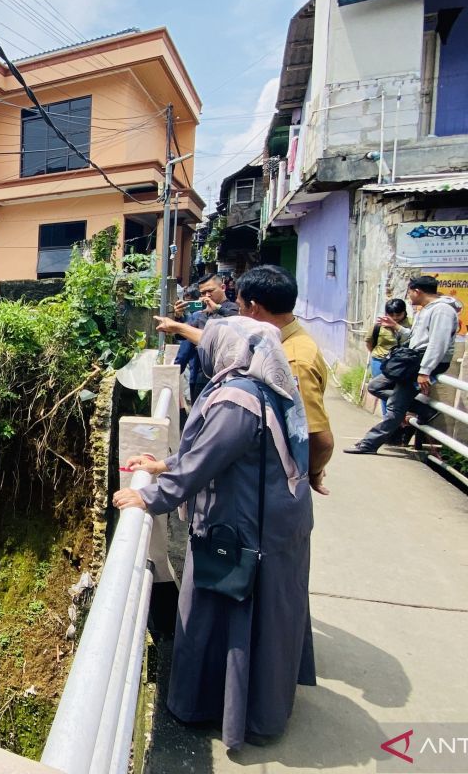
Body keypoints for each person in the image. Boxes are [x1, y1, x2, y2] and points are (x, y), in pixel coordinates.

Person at [113, 316, 316, 750]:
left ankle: (223, 711)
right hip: (281, 520)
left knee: (230, 610)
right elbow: (219, 450)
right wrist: (165, 464)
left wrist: (151, 497)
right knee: (271, 616)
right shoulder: (273, 385)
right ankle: (264, 705)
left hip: (247, 526)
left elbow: (208, 457)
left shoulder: (236, 397)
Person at [156, 265, 334, 495]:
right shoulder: (277, 341)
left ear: (253, 307)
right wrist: (178, 326)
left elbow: (318, 437)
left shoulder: (292, 361)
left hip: (268, 486)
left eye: (240, 307)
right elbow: (226, 343)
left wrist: (311, 471)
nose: (238, 314)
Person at [345, 276, 462, 455]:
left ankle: (369, 444)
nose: (408, 297)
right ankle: (422, 409)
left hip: (423, 363)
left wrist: (425, 371)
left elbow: (438, 344)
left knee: (395, 406)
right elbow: (416, 338)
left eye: (409, 292)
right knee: (376, 385)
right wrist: (396, 327)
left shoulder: (442, 311)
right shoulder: (425, 310)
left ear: (417, 291)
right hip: (413, 360)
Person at [174, 275, 240, 402]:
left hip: (226, 376)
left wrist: (217, 309)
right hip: (200, 376)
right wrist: (179, 317)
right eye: (203, 292)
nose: (207, 296)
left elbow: (238, 320)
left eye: (210, 291)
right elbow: (183, 335)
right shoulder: (200, 314)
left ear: (223, 287)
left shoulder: (232, 309)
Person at [365, 298, 410, 416]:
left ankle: (398, 419)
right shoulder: (379, 326)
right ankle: (386, 418)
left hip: (401, 364)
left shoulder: (411, 325)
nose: (395, 317)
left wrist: (396, 326)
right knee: (383, 391)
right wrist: (381, 355)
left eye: (398, 314)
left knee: (399, 390)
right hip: (380, 362)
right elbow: (369, 342)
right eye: (391, 314)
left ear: (404, 312)